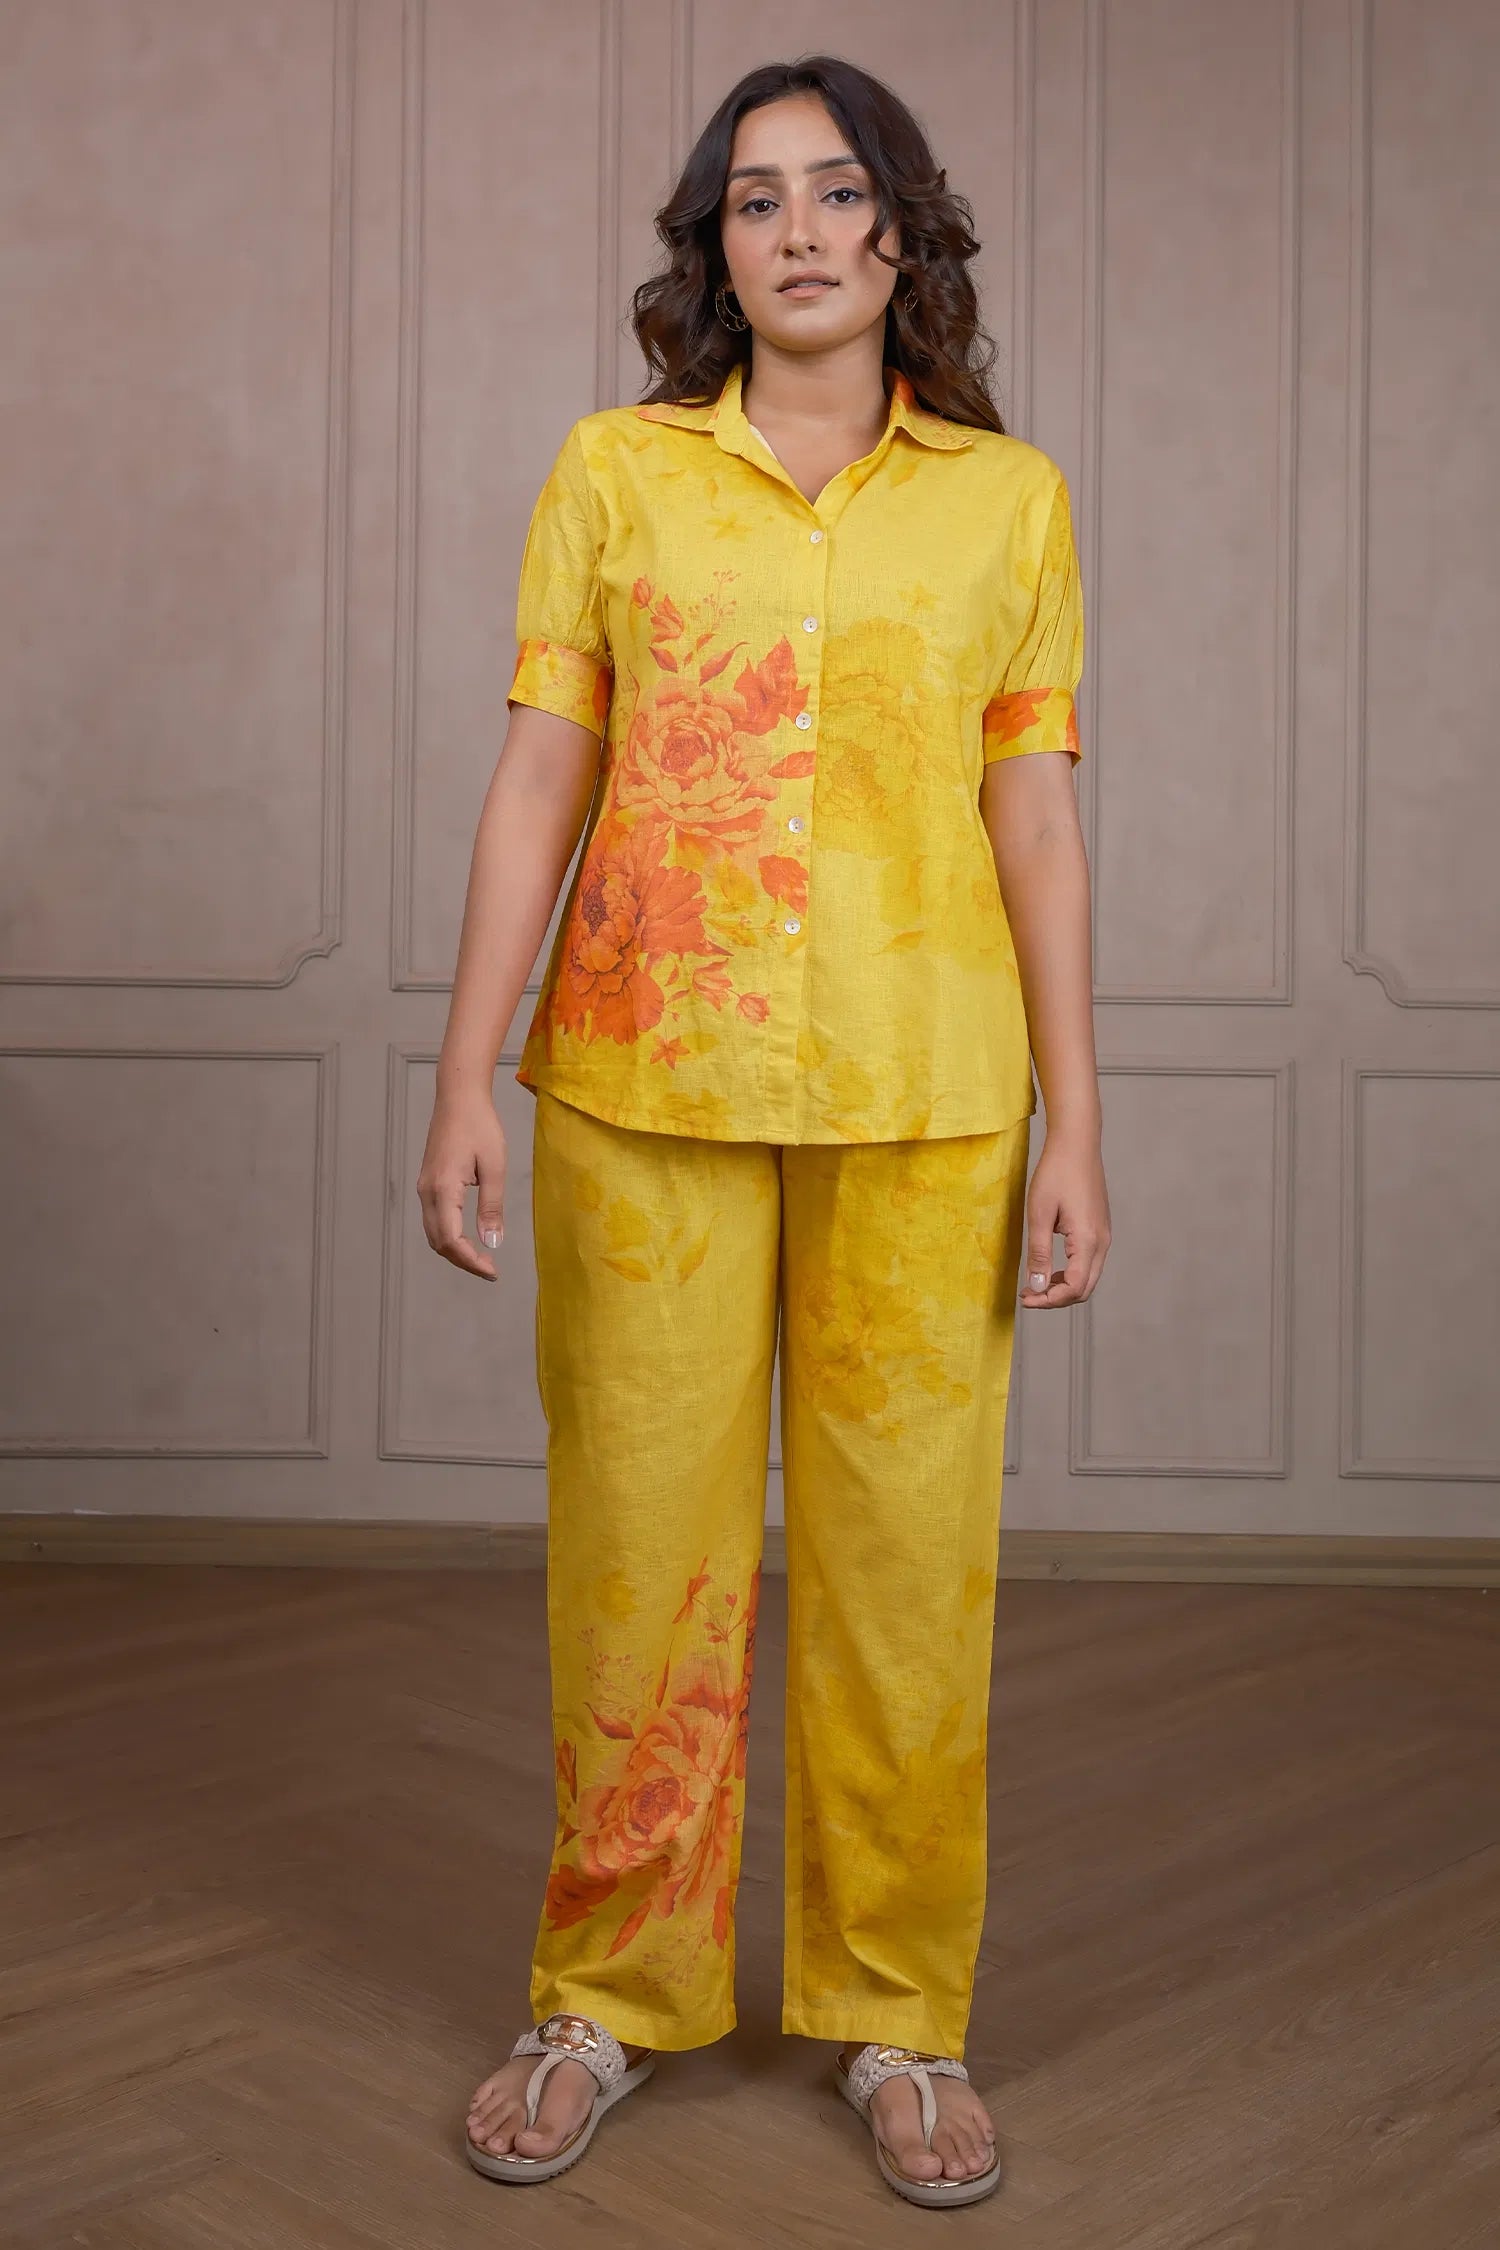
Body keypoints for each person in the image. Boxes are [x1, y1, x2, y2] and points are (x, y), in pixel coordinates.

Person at [419, 52, 1110, 2212]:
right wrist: (462, 1071)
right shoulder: (615, 474)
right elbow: (543, 776)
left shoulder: (1009, 501)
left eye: (836, 191)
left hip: (931, 1099)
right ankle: (604, 1997)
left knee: (909, 1576)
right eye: (752, 200)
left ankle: (900, 2012)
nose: (797, 230)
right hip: (646, 1087)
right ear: (713, 249)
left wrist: (1081, 1120)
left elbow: (1035, 820)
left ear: (904, 227)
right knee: (642, 1555)